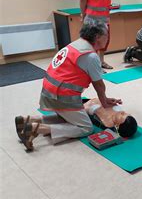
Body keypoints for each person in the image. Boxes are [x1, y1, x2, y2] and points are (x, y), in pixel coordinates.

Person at [14, 19, 122, 151]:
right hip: (63, 96)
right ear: (98, 37)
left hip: (49, 91)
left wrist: (104, 99)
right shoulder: (91, 56)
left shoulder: (74, 45)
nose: (108, 39)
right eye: (107, 36)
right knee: (86, 128)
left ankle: (27, 120)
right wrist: (104, 102)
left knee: (68, 118)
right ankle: (38, 129)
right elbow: (99, 85)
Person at [79, 0, 113, 70]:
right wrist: (83, 15)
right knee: (93, 43)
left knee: (104, 42)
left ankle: (101, 62)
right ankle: (92, 66)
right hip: (92, 19)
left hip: (104, 18)